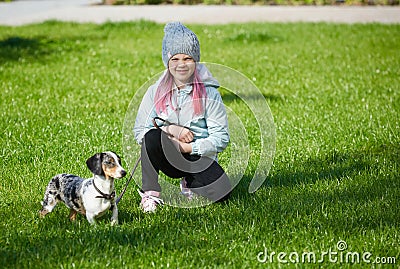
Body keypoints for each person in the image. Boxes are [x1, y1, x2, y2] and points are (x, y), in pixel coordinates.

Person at [134, 22, 231, 213]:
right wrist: (171, 130)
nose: (181, 65)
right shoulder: (155, 91)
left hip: (198, 157)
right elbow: (141, 131)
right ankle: (150, 193)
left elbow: (220, 138)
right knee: (151, 137)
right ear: (167, 61)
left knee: (223, 193)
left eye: (188, 58)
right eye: (175, 59)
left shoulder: (209, 93)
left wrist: (186, 147)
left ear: (196, 61)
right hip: (168, 157)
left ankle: (190, 182)